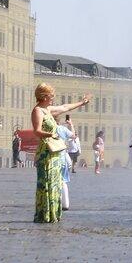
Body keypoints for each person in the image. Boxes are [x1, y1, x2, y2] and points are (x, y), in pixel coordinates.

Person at [30, 83, 91, 223]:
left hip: (55, 154)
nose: (53, 98)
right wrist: (51, 135)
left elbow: (64, 107)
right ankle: (45, 215)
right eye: (51, 95)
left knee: (55, 183)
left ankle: (53, 215)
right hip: (46, 153)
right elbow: (36, 131)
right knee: (47, 183)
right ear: (44, 96)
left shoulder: (47, 109)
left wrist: (82, 102)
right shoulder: (38, 111)